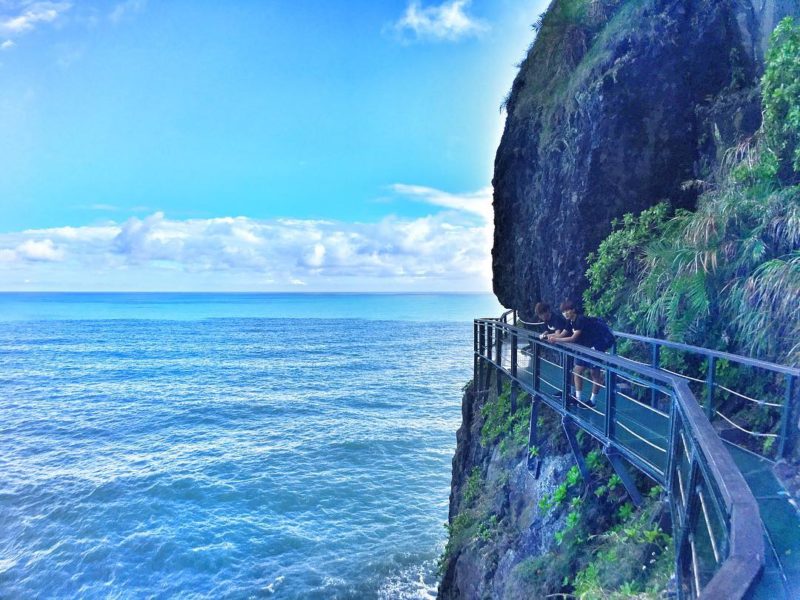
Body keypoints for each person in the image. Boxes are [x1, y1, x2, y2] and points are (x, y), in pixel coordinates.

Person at [551, 300, 614, 408]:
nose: (565, 313)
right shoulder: (570, 321)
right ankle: (578, 399)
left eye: (567, 310)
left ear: (573, 310)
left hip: (596, 347)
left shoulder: (580, 319)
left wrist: (557, 340)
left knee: (594, 374)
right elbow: (563, 334)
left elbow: (573, 338)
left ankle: (592, 401)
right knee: (577, 371)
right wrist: (551, 337)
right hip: (585, 348)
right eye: (563, 311)